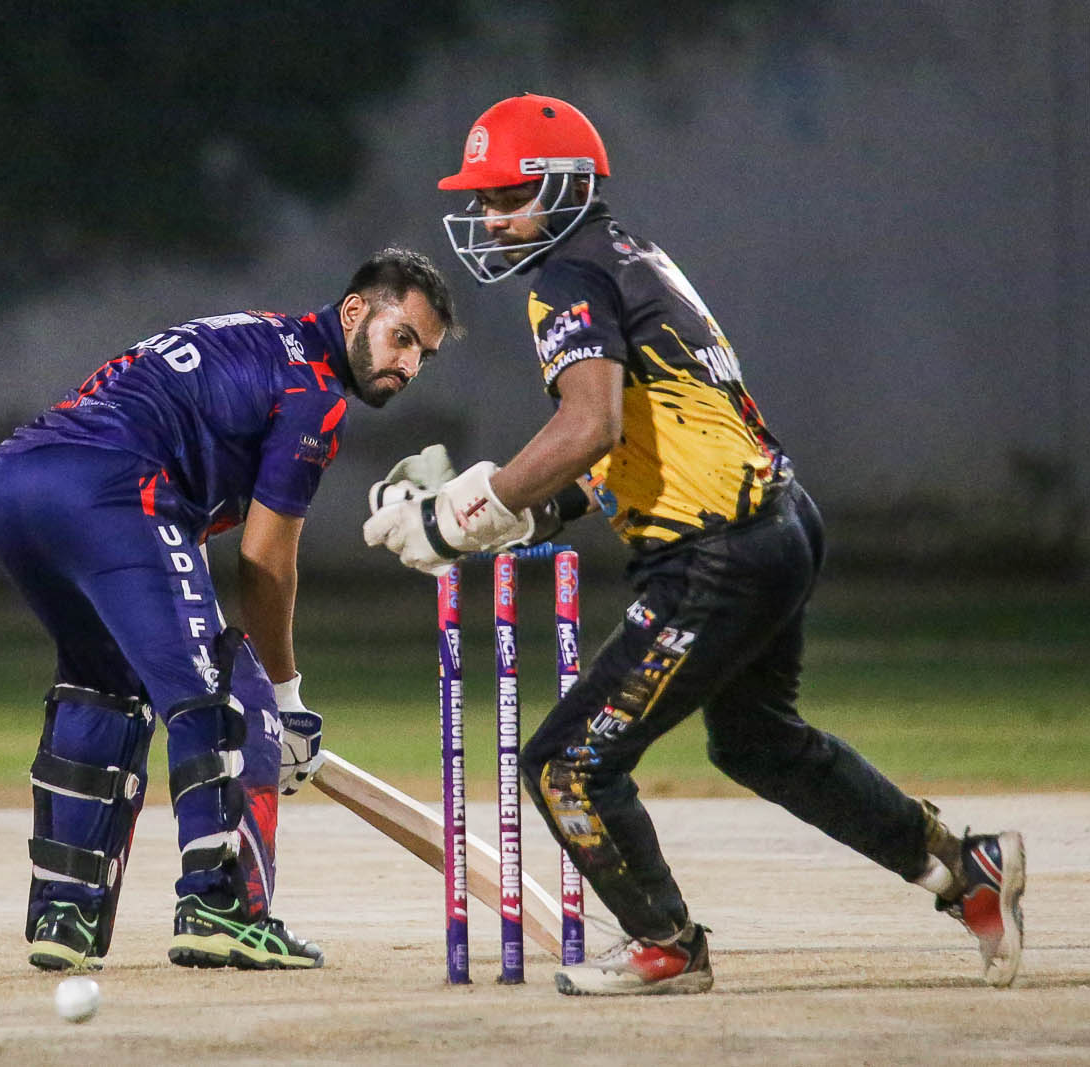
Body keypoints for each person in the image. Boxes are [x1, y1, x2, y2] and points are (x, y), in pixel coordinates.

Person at [363, 94, 1025, 995]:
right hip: (777, 522)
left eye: (508, 195)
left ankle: (666, 944)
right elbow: (645, 437)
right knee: (756, 741)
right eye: (483, 198)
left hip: (714, 549)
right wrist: (522, 511)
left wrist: (460, 515)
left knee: (566, 766)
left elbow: (590, 426)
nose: (490, 216)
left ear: (566, 187)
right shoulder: (632, 255)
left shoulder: (570, 277)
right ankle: (962, 868)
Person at [0, 248, 456, 973]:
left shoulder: (260, 336)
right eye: (402, 338)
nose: (410, 364)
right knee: (229, 692)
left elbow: (178, 491)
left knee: (104, 684)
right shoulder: (314, 393)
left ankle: (65, 915)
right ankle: (223, 909)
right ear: (355, 311)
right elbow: (265, 561)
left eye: (424, 353)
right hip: (114, 489)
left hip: (16, 483)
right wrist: (287, 700)